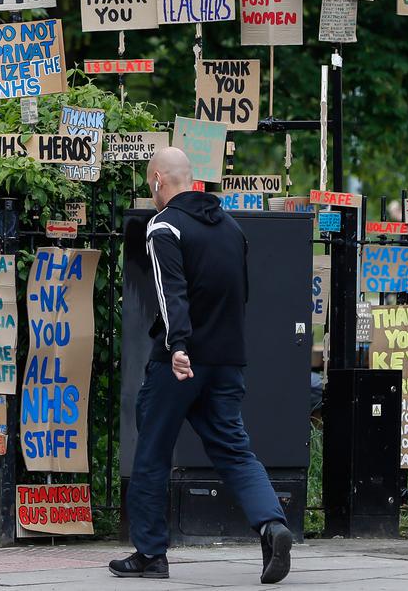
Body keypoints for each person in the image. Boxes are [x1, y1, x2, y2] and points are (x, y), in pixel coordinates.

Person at [110, 147, 292, 584]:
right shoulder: (231, 228)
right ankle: (272, 525)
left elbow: (172, 293)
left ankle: (151, 555)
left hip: (180, 362)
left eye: (149, 184)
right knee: (234, 448)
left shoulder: (164, 226)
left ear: (157, 180)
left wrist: (177, 346)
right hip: (227, 360)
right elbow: (239, 295)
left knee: (152, 449)